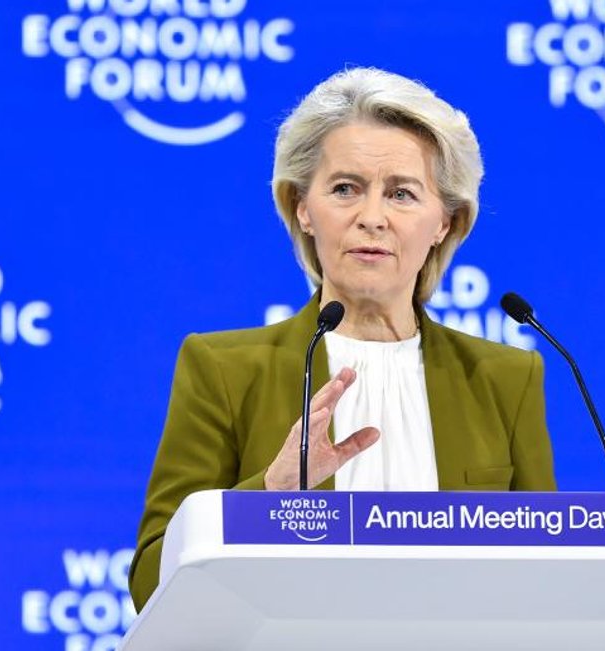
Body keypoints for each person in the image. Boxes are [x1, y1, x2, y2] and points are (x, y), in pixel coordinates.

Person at [129, 67, 556, 610]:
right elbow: (151, 583)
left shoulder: (505, 379)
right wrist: (269, 495)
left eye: (401, 193)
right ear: (303, 208)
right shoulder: (224, 369)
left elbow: (548, 575)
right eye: (345, 189)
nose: (372, 217)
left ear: (445, 223)